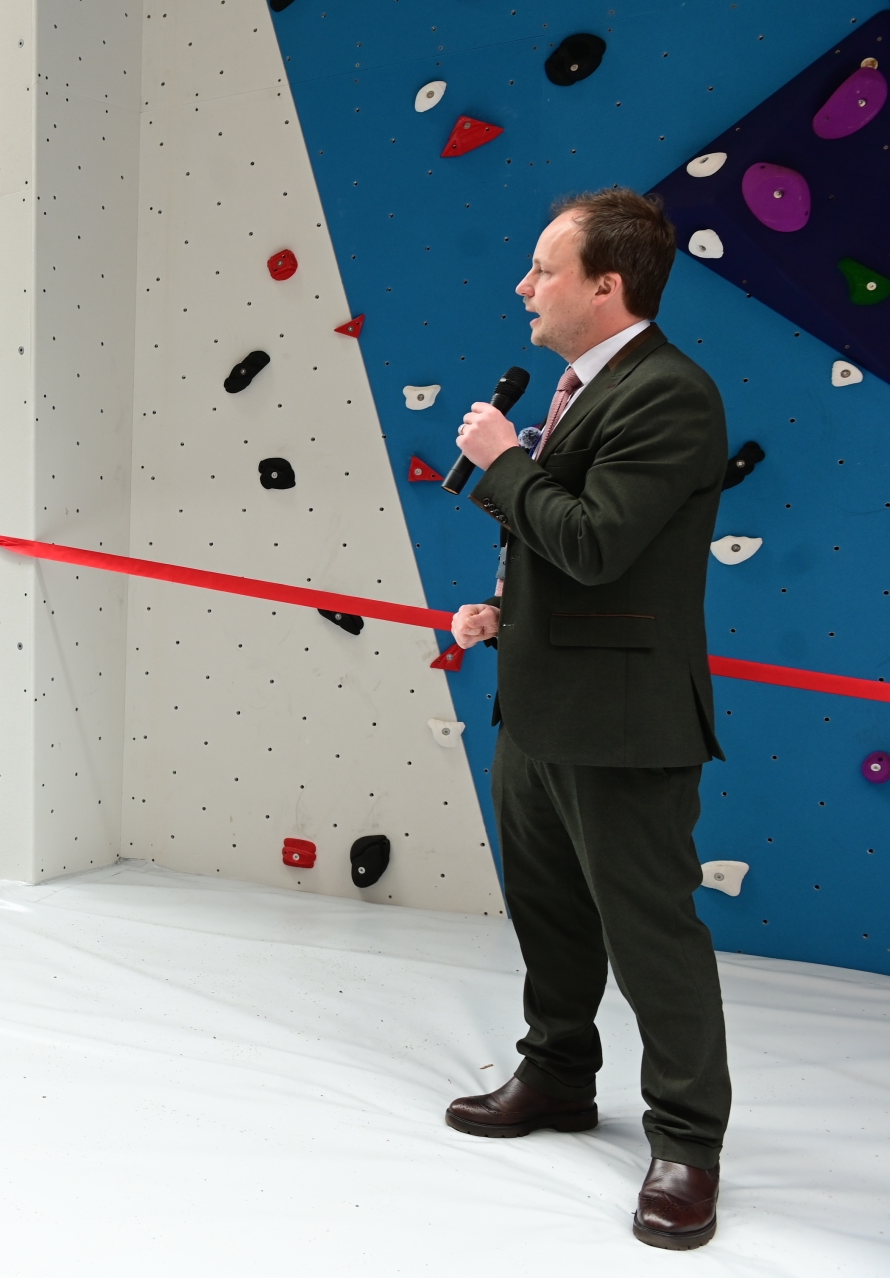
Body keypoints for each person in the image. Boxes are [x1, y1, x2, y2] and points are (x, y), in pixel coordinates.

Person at [445, 188, 729, 1251]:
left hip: (623, 722)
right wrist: (505, 613)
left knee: (652, 935)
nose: (525, 286)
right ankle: (559, 1076)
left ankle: (689, 1145)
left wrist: (501, 461)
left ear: (607, 286)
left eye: (544, 269)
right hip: (541, 708)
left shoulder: (671, 397)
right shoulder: (580, 390)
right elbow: (592, 565)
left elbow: (601, 541)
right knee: (552, 914)